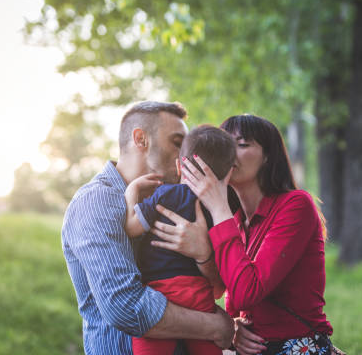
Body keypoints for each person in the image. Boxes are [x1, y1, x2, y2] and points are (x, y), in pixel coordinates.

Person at [152, 114, 343, 355]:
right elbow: (215, 293)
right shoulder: (232, 221)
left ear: (267, 157)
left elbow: (245, 292)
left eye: (242, 145)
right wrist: (232, 326)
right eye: (224, 144)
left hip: (297, 346)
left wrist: (218, 206)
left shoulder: (295, 205)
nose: (230, 152)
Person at [61, 101, 234, 355]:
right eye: (178, 143)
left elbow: (216, 288)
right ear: (140, 139)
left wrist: (204, 255)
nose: (187, 155)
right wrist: (215, 326)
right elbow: (126, 306)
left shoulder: (178, 200)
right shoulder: (96, 202)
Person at [124, 124, 236, 355]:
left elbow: (132, 228)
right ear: (227, 175)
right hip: (200, 297)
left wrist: (131, 193)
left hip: (162, 295)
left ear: (179, 165)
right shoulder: (221, 209)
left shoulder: (166, 194)